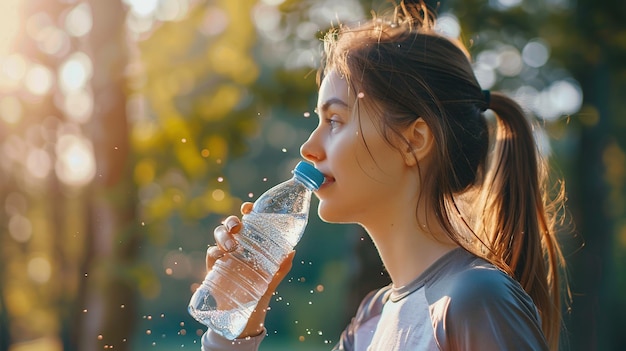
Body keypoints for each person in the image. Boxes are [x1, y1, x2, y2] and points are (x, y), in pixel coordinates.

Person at [200, 1, 567, 350]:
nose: (309, 147)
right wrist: (241, 312)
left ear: (414, 141)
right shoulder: (371, 320)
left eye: (335, 120)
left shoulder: (476, 298)